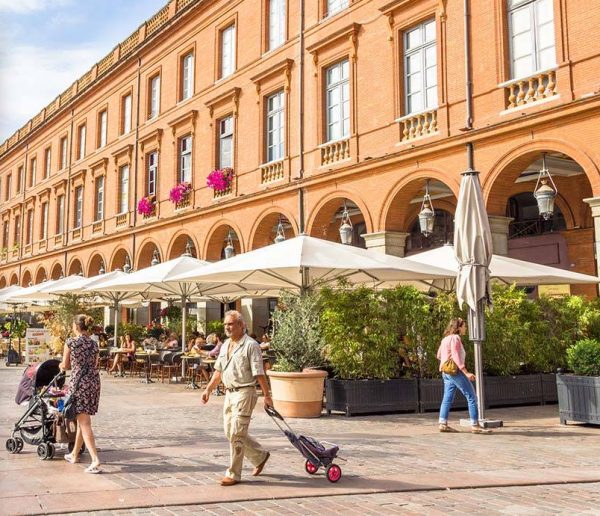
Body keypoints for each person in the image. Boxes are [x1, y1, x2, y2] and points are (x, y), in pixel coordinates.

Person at [201, 311, 272, 486]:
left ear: (242, 325)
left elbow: (259, 373)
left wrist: (267, 396)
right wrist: (208, 389)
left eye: (231, 324)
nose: (227, 327)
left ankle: (233, 473)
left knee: (237, 433)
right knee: (229, 432)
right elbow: (218, 371)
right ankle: (260, 456)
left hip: (245, 392)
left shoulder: (251, 345)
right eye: (225, 324)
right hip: (229, 393)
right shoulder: (225, 345)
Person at [59, 314, 102, 473]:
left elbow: (66, 365)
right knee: (82, 418)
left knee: (84, 423)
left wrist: (60, 365)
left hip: (79, 384)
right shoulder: (94, 344)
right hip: (93, 383)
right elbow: (95, 363)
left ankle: (95, 460)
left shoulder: (71, 342)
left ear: (77, 327)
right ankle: (74, 454)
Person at [437, 318, 486, 434]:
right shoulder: (455, 338)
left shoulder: (445, 339)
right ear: (458, 328)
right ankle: (475, 425)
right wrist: (466, 372)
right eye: (464, 326)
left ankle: (442, 423)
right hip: (456, 372)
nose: (466, 328)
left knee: (447, 398)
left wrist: (447, 361)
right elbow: (455, 356)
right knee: (472, 397)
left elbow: (439, 355)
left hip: (446, 372)